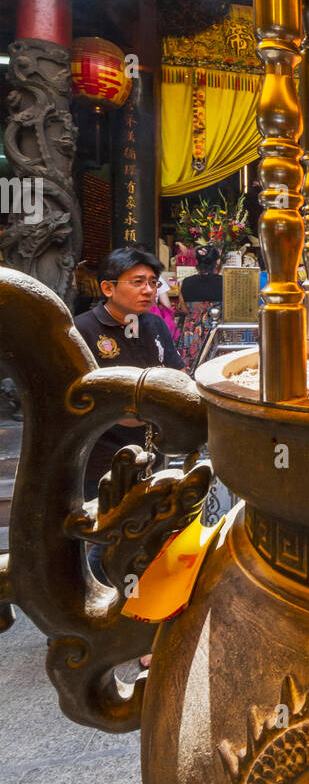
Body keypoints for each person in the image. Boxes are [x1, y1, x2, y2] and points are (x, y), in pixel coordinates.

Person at [74, 248, 186, 657]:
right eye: (137, 282)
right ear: (108, 288)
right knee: (104, 536)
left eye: (153, 282)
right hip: (102, 454)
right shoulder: (84, 329)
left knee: (143, 533)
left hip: (149, 449)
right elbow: (84, 393)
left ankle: (136, 619)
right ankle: (94, 618)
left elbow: (173, 374)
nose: (148, 290)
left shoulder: (154, 325)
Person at [177, 244, 222, 370]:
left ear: (196, 261)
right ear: (217, 262)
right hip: (215, 330)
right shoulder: (224, 282)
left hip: (192, 331)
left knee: (192, 368)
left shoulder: (186, 282)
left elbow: (184, 310)